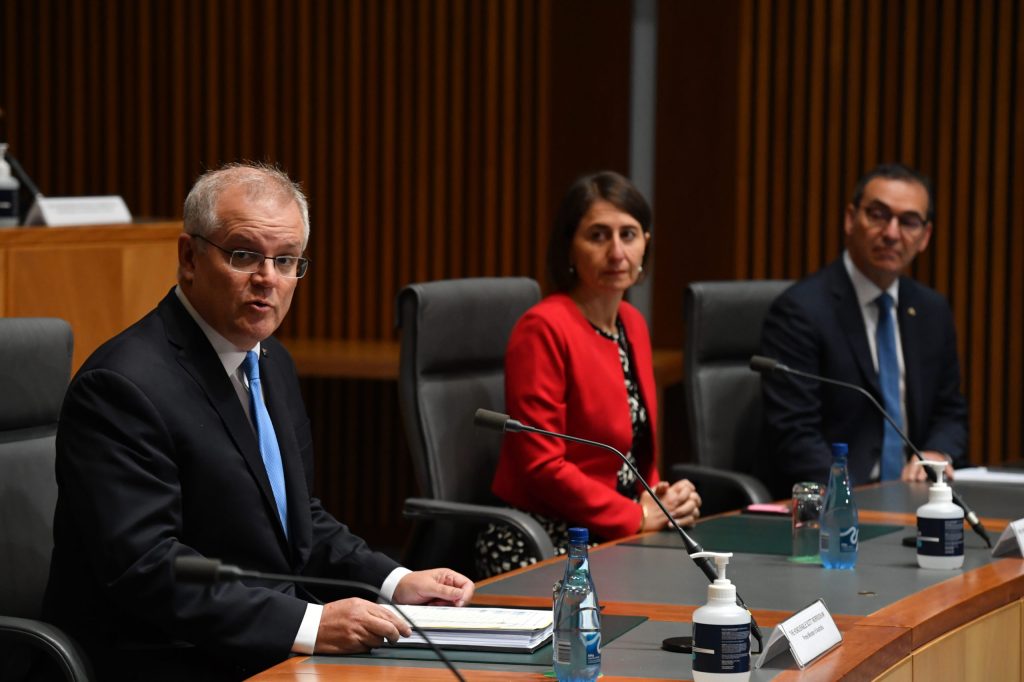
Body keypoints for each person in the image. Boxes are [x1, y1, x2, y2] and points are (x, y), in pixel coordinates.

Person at [43, 163, 474, 681]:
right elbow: (149, 567)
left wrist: (394, 579)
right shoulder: (121, 387)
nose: (267, 278)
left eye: (286, 260)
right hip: (164, 657)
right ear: (188, 257)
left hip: (259, 647)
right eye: (243, 254)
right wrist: (311, 622)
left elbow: (297, 518)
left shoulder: (270, 361)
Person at [480, 171, 702, 577]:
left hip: (615, 531)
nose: (617, 253)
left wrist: (661, 496)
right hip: (544, 535)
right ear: (569, 247)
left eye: (629, 235)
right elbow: (542, 466)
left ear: (645, 244)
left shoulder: (632, 323)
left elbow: (633, 446)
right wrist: (636, 515)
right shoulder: (543, 328)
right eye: (598, 236)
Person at [758, 163, 968, 498]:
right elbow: (794, 434)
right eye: (879, 215)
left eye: (909, 221)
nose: (892, 233)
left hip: (915, 495)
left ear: (925, 237)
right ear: (850, 219)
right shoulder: (801, 310)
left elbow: (950, 411)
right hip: (837, 503)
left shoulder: (931, 310)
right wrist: (851, 500)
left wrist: (936, 454)